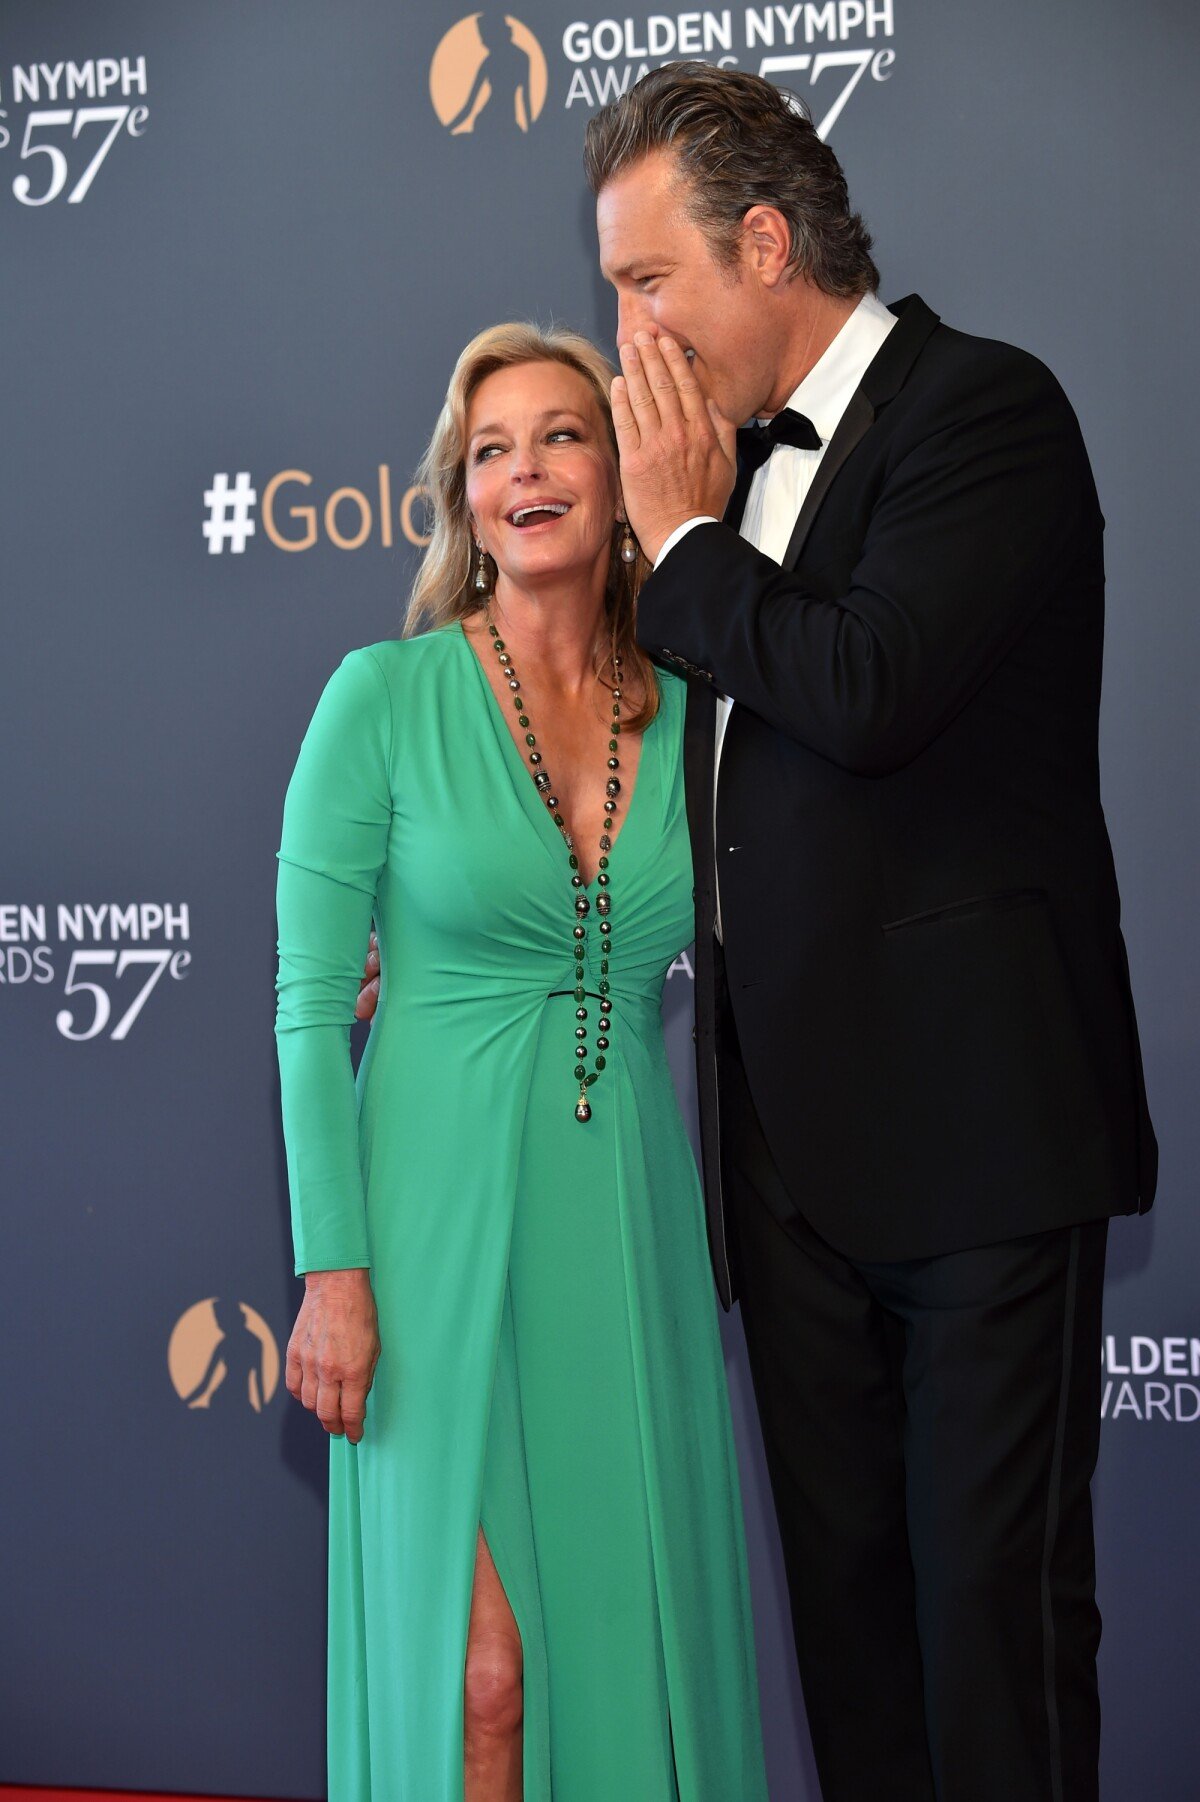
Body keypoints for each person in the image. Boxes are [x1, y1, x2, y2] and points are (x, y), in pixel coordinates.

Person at [580, 63, 1158, 1802]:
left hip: (978, 1155)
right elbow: (727, 813)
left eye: (646, 281)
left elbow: (873, 688)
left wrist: (680, 534)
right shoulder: (730, 482)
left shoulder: (986, 411)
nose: (627, 335)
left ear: (767, 243)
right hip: (785, 1172)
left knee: (994, 1646)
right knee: (855, 1659)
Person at [275, 322, 768, 1802]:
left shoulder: (694, 715)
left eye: (561, 435)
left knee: (635, 1647)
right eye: (491, 450)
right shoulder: (383, 698)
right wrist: (332, 1270)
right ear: (462, 498)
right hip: (426, 1232)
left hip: (624, 1220)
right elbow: (308, 1006)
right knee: (483, 1679)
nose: (526, 469)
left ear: (623, 478)